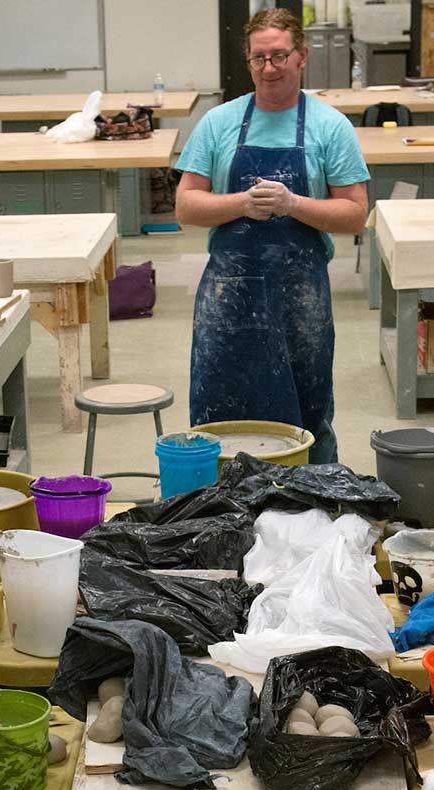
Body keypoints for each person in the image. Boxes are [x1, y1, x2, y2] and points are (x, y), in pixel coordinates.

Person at [175, 7, 370, 464]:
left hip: (300, 297)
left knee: (308, 409)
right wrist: (242, 204)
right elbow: (186, 205)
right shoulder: (219, 123)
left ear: (301, 57)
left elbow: (356, 214)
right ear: (248, 61)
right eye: (259, 58)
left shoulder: (329, 127)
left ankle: (314, 506)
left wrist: (292, 205)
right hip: (228, 295)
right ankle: (217, 508)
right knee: (218, 408)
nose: (269, 68)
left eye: (280, 56)